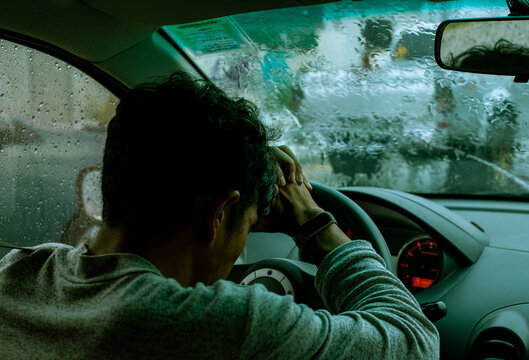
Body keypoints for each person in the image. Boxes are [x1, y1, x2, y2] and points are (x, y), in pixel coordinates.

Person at [0, 72, 439, 359]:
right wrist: (315, 223)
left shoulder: (19, 272)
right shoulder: (216, 325)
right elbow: (415, 343)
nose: (242, 244)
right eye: (247, 225)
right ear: (217, 213)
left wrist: (244, 186)